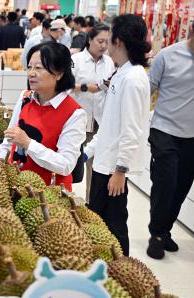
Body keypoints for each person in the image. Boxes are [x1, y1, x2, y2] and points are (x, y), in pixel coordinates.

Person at [84, 14, 151, 256]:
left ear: (119, 41)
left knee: (114, 223)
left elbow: (132, 129)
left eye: (110, 37)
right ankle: (103, 265)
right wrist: (87, 152)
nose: (107, 42)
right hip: (104, 161)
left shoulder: (133, 78)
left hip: (113, 168)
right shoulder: (121, 73)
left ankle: (122, 270)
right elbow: (111, 123)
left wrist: (121, 170)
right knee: (98, 219)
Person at [0, 42, 86, 191]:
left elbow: (65, 165)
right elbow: (8, 141)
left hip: (49, 196)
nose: (31, 73)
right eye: (29, 67)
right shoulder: (25, 98)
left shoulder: (74, 113)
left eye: (38, 68)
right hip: (16, 186)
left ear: (58, 73)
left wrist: (28, 143)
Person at [146, 18, 194, 259]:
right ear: (192, 33)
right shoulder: (168, 55)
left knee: (181, 186)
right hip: (164, 130)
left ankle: (165, 230)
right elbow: (148, 87)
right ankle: (155, 233)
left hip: (192, 136)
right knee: (165, 183)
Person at [71, 24, 114, 200]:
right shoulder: (77, 60)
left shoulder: (109, 62)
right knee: (72, 162)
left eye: (107, 42)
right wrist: (85, 87)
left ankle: (91, 203)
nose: (104, 46)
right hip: (79, 120)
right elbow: (63, 85)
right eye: (100, 41)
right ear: (89, 40)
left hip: (100, 121)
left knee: (95, 166)